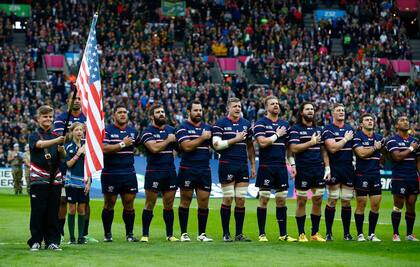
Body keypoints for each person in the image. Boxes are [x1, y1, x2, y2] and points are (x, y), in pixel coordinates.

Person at [253, 96, 297, 242]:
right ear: (266, 107)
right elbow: (262, 143)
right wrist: (277, 134)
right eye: (272, 104)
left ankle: (283, 235)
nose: (276, 105)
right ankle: (261, 234)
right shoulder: (261, 123)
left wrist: (292, 165)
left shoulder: (285, 124)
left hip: (281, 167)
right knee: (264, 199)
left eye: (277, 103)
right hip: (266, 167)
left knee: (281, 201)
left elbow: (289, 148)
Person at [53, 91, 95, 243]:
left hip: (83, 170)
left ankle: (84, 233)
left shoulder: (88, 119)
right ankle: (61, 232)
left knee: (85, 202)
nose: (77, 100)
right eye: (74, 98)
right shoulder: (60, 119)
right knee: (63, 201)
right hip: (64, 165)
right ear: (68, 100)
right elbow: (58, 141)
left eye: (79, 98)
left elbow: (93, 140)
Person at [212, 97, 256, 242]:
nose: (238, 108)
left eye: (239, 106)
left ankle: (239, 234)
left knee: (241, 200)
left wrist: (253, 166)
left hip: (242, 166)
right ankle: (226, 233)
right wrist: (234, 140)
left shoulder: (246, 124)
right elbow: (217, 145)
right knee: (228, 198)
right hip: (227, 164)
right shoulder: (220, 124)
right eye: (235, 106)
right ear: (228, 108)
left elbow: (250, 146)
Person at [289, 102, 330, 242]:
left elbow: (324, 150)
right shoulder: (295, 129)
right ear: (301, 112)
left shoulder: (319, 130)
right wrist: (310, 143)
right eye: (307, 109)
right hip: (303, 169)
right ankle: (301, 233)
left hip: (318, 169)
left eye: (312, 109)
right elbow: (293, 148)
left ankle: (315, 233)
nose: (310, 111)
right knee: (301, 201)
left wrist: (327, 167)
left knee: (318, 200)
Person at [27, 105, 66, 251]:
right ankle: (36, 240)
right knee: (38, 211)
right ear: (38, 118)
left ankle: (52, 241)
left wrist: (62, 150)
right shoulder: (34, 135)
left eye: (50, 116)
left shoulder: (56, 136)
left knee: (53, 211)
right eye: (45, 116)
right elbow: (40, 145)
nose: (48, 119)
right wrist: (58, 142)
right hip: (38, 178)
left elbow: (63, 158)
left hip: (55, 178)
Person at [139, 105, 179, 242]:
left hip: (170, 171)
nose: (161, 114)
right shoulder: (147, 132)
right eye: (158, 112)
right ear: (151, 116)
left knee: (169, 204)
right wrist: (168, 140)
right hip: (154, 172)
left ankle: (170, 235)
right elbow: (154, 148)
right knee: (150, 203)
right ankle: (145, 235)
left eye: (163, 111)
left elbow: (179, 147)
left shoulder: (172, 130)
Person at [176, 100, 213, 242]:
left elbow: (215, 144)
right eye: (196, 110)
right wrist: (202, 138)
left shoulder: (208, 127)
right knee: (185, 201)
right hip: (188, 169)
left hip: (204, 169)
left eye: (200, 110)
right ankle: (184, 233)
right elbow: (186, 147)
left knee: (203, 202)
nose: (199, 113)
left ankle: (202, 234)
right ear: (188, 112)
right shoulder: (182, 127)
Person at [101, 104, 139, 242]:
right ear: (114, 115)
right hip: (111, 173)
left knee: (129, 203)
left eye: (125, 112)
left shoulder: (133, 131)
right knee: (109, 203)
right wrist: (122, 144)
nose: (123, 114)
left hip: (128, 172)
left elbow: (141, 145)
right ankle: (107, 234)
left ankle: (129, 234)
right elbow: (104, 148)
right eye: (120, 112)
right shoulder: (107, 131)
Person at [322, 103, 355, 241]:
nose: (341, 112)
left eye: (343, 110)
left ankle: (347, 233)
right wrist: (346, 139)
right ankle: (329, 233)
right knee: (333, 200)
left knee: (346, 201)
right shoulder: (328, 129)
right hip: (334, 168)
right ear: (333, 113)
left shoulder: (350, 128)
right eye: (338, 110)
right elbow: (332, 149)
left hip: (348, 168)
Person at [386, 116, 419, 242]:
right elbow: (397, 157)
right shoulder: (392, 140)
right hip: (399, 177)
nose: (405, 121)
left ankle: (409, 234)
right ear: (396, 126)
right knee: (398, 205)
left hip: (412, 177)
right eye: (402, 120)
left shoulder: (415, 140)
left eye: (407, 119)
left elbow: (418, 160)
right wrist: (411, 148)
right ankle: (396, 234)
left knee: (411, 205)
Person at [353, 113, 384, 242]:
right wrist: (374, 148)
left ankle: (371, 234)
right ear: (361, 124)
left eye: (371, 120)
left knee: (376, 205)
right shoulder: (357, 137)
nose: (370, 121)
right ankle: (360, 234)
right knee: (361, 204)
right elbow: (361, 153)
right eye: (367, 120)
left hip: (375, 175)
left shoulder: (379, 137)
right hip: (362, 175)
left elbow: (384, 153)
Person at [64, 122, 91, 245]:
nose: (79, 132)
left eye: (81, 130)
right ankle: (72, 238)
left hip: (84, 182)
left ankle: (81, 237)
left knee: (82, 209)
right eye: (77, 130)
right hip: (71, 183)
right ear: (72, 132)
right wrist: (79, 153)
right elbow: (68, 164)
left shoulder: (87, 146)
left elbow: (90, 166)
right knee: (72, 209)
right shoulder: (68, 146)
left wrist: (89, 182)